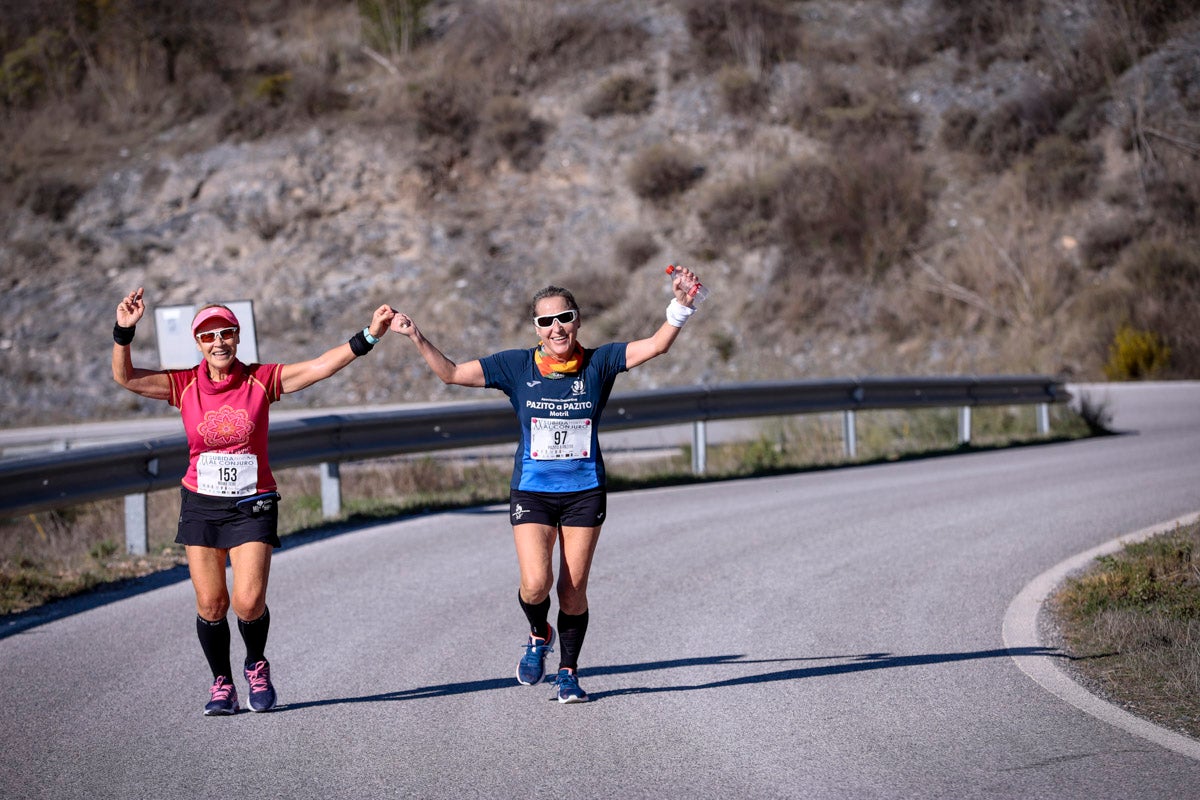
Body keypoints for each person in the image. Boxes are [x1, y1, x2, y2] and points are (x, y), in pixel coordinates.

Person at [390, 266, 703, 702]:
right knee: (536, 584)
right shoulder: (515, 365)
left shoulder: (601, 361)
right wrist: (416, 337)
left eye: (565, 317)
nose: (557, 328)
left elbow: (656, 345)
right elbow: (452, 373)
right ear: (536, 329)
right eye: (546, 321)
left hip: (584, 490)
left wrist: (681, 305)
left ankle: (569, 672)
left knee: (572, 590)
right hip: (533, 491)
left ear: (578, 321)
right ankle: (540, 634)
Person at [111, 287, 396, 716]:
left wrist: (369, 336)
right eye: (208, 337)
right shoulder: (184, 385)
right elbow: (126, 377)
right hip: (202, 503)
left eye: (226, 333)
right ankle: (221, 683)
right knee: (211, 603)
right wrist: (123, 332)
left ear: (237, 337)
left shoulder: (261, 380)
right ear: (199, 345)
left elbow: (318, 367)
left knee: (247, 602)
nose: (218, 342)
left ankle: (256, 665)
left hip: (253, 504)